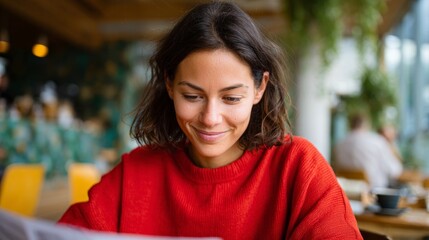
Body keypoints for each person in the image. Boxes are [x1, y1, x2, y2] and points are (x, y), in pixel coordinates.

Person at [58, 2, 362, 239]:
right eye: (192, 96)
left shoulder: (297, 167)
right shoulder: (135, 173)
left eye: (231, 98)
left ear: (259, 88)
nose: (210, 119)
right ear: (169, 85)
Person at [333, 113, 403, 189]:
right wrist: (391, 147)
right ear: (367, 125)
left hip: (347, 192)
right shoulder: (377, 141)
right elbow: (395, 171)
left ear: (350, 125)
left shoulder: (339, 144)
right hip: (375, 192)